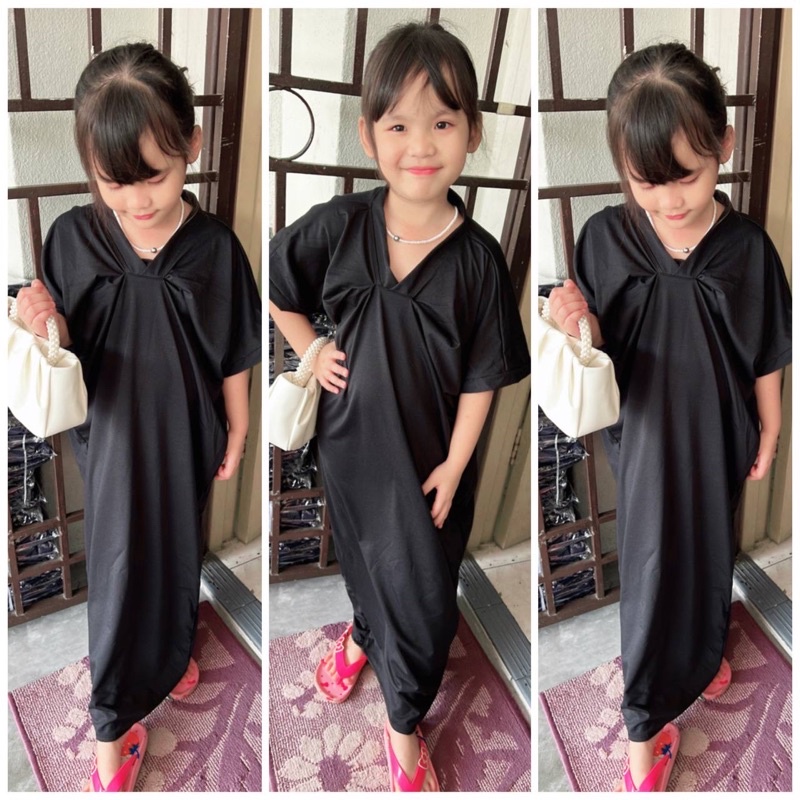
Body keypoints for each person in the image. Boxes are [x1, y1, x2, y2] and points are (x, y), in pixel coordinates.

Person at [269, 21, 529, 793]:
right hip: (351, 453)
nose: (421, 145)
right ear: (368, 135)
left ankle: (402, 722)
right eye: (399, 126)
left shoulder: (479, 260)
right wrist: (312, 349)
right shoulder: (340, 224)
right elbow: (280, 290)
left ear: (472, 132)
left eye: (442, 123)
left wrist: (455, 463)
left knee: (426, 605)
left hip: (430, 469)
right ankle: (361, 633)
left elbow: (484, 376)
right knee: (367, 569)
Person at [15, 43, 262, 792]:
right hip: (114, 439)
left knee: (178, 548)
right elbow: (62, 343)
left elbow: (234, 350)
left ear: (191, 144)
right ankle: (112, 731)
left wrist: (239, 428)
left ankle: (171, 653)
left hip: (188, 434)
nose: (136, 199)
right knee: (121, 568)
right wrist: (37, 319)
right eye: (114, 181)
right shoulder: (72, 237)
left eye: (154, 175)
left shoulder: (215, 248)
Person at [548, 43, 791, 792]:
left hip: (721, 433)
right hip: (646, 438)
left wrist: (771, 428)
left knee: (712, 549)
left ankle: (704, 653)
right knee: (652, 569)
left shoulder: (748, 248)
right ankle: (644, 731)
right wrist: (572, 319)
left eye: (686, 175)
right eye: (646, 181)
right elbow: (596, 344)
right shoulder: (605, 237)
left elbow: (767, 350)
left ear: (723, 145)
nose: (669, 199)